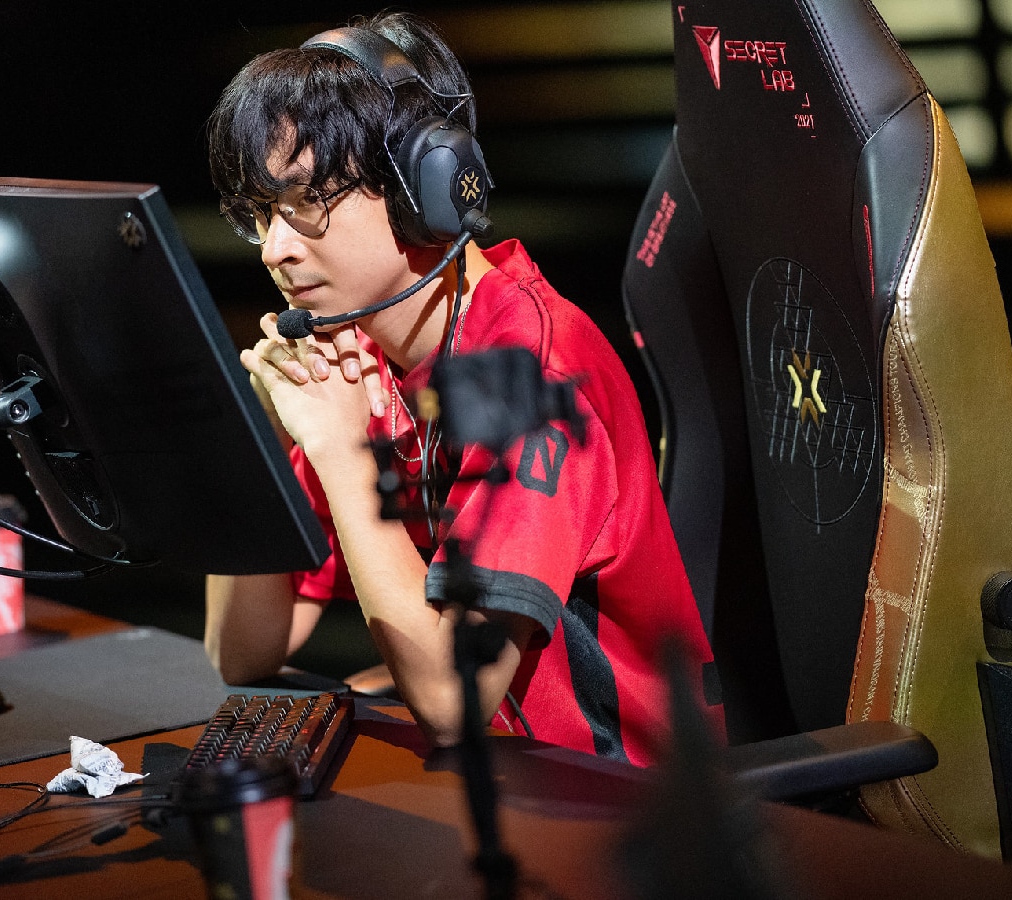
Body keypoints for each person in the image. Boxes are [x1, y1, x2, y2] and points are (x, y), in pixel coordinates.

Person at [202, 11, 718, 765]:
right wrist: (266, 437)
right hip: (498, 775)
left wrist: (343, 452)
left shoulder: (532, 374)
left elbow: (453, 698)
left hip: (616, 810)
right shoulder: (361, 351)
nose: (277, 250)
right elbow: (243, 651)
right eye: (261, 215)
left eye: (306, 204)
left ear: (426, 189)